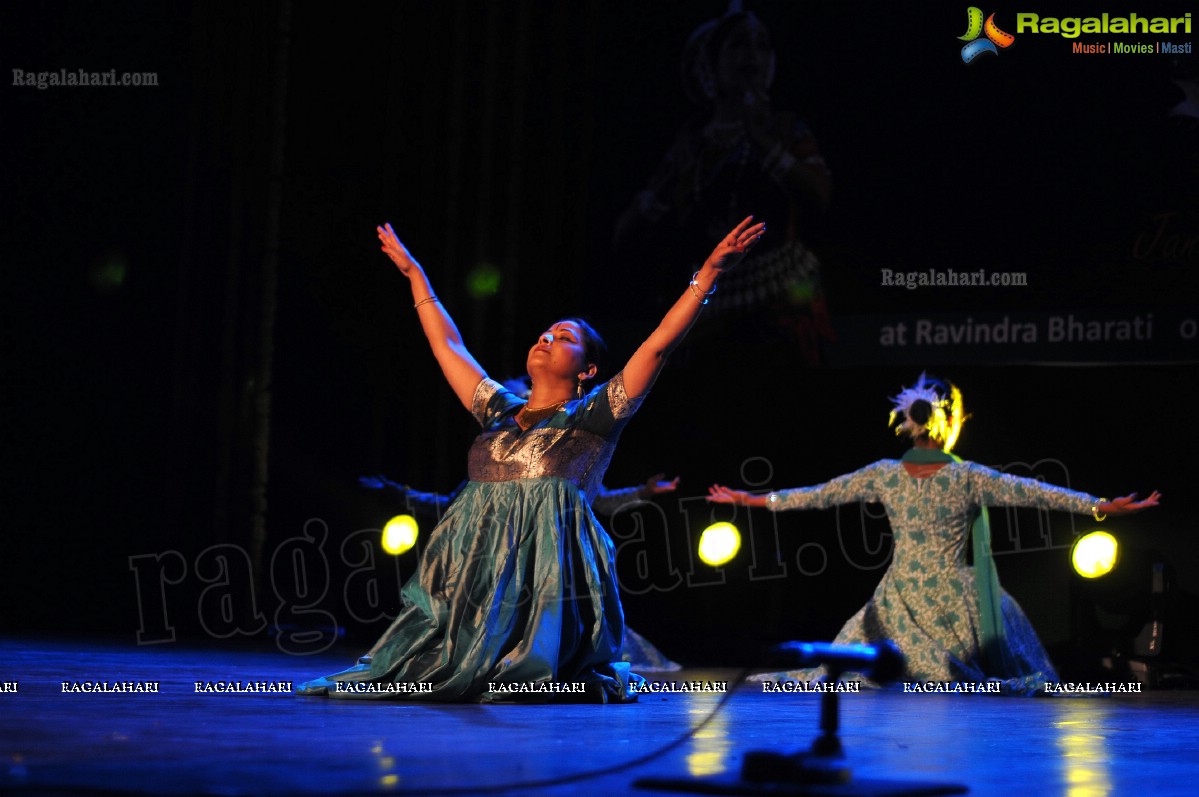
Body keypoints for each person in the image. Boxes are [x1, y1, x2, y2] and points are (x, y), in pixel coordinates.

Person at [297, 215, 765, 702]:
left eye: (564, 337)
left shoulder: (595, 414)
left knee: (518, 678)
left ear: (588, 370)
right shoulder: (498, 410)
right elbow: (447, 345)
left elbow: (659, 344)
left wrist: (708, 273)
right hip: (469, 560)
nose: (547, 338)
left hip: (544, 574)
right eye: (545, 333)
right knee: (426, 666)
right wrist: (416, 274)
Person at [707, 374, 1161, 694]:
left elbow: (817, 495)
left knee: (854, 660)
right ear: (946, 423)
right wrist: (1100, 505)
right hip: (953, 603)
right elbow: (1035, 493)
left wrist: (750, 500)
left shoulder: (886, 473)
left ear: (909, 422)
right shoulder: (966, 476)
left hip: (900, 597)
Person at [613, 5, 833, 361]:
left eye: (762, 46)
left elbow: (819, 195)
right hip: (708, 311)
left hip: (782, 304)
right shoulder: (693, 144)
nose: (752, 55)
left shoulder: (784, 129)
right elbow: (627, 231)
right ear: (711, 64)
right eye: (739, 45)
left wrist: (760, 137)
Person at [358, 471, 684, 672]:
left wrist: (644, 493)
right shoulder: (499, 446)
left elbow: (595, 497)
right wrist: (397, 491)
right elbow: (453, 502)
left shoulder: (564, 443)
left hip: (546, 550)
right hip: (501, 551)